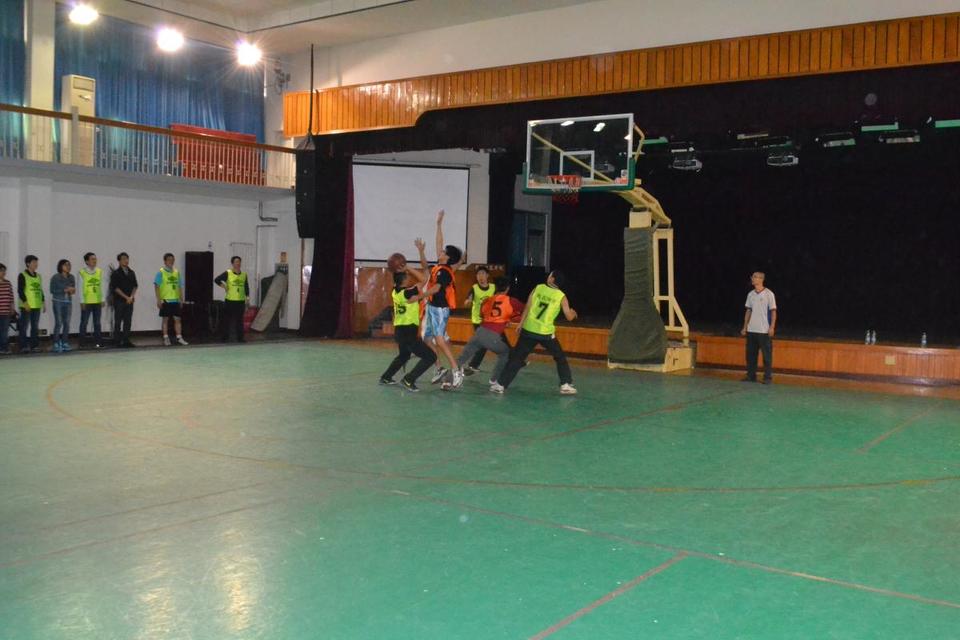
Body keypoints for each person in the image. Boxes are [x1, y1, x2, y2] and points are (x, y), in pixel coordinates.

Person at [494, 269, 578, 395]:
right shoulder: (561, 296)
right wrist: (574, 313)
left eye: (550, 275)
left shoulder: (538, 288)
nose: (548, 276)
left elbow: (528, 306)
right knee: (560, 357)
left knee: (517, 358)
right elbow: (569, 317)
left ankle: (500, 385)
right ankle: (565, 384)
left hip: (529, 329)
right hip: (546, 333)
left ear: (552, 279)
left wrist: (521, 323)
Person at [379, 242, 439, 392]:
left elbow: (422, 280)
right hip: (408, 332)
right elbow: (424, 279)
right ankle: (409, 379)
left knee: (404, 355)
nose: (409, 277)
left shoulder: (395, 291)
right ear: (404, 280)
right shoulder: (408, 292)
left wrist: (407, 267)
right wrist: (408, 267)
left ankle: (386, 377)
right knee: (431, 357)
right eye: (407, 276)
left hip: (400, 331)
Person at [445, 276, 524, 390]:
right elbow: (525, 309)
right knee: (505, 353)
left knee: (462, 358)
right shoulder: (511, 301)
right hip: (492, 335)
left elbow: (482, 315)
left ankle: (447, 381)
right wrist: (511, 318)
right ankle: (494, 379)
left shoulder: (488, 300)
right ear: (507, 288)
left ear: (495, 288)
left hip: (479, 332)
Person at [420, 209, 464, 388]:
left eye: (443, 252)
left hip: (439, 309)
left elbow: (437, 288)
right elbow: (439, 242)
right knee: (427, 339)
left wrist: (420, 296)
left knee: (439, 340)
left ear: (448, 257)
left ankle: (456, 371)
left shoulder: (445, 272)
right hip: (432, 307)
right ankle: (439, 368)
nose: (440, 251)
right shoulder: (440, 265)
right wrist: (438, 224)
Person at [740, 271, 777, 384]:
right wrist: (745, 327)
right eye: (752, 277)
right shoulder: (750, 294)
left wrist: (772, 327)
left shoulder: (769, 294)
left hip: (764, 330)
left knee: (766, 356)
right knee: (750, 355)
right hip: (752, 330)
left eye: (755, 277)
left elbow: (773, 311)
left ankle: (767, 377)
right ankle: (751, 376)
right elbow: (748, 311)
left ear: (761, 279)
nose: (752, 279)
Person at [461, 265, 495, 376]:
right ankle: (472, 365)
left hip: (490, 320)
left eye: (483, 274)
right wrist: (468, 301)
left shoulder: (493, 288)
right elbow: (468, 299)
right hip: (478, 320)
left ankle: (472, 365)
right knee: (484, 343)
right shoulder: (474, 288)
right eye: (478, 274)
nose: (481, 276)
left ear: (487, 275)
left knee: (483, 343)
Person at [154, 253, 188, 346]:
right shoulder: (161, 272)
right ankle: (166, 338)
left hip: (176, 300)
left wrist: (181, 299)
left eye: (173, 260)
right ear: (165, 261)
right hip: (166, 300)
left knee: (178, 319)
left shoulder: (177, 272)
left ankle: (179, 337)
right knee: (165, 320)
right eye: (169, 260)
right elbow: (156, 286)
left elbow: (180, 287)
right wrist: (158, 300)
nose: (171, 261)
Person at [214, 256, 250, 343]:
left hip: (240, 300)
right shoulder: (228, 273)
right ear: (232, 263)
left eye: (239, 262)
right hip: (230, 300)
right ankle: (225, 338)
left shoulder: (244, 274)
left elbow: (246, 287)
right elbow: (217, 280)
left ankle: (240, 338)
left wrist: (247, 298)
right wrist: (224, 286)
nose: (238, 263)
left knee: (239, 320)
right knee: (227, 320)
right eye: (236, 262)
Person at [17, 255, 45, 354]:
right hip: (27, 306)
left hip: (36, 306)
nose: (36, 264)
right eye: (34, 262)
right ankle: (23, 346)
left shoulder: (38, 276)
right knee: (24, 327)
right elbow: (20, 290)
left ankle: (34, 346)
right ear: (28, 263)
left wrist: (43, 302)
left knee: (35, 327)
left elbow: (40, 290)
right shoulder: (22, 275)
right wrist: (25, 303)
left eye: (36, 262)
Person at [110, 252, 138, 348]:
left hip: (129, 301)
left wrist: (131, 297)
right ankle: (117, 341)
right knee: (118, 321)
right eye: (123, 259)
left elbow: (135, 286)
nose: (126, 260)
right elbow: (115, 288)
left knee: (128, 321)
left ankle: (126, 340)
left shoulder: (131, 272)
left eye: (127, 258)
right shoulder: (116, 273)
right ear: (119, 261)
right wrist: (126, 297)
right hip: (119, 301)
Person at [78, 252, 104, 348]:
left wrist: (102, 299)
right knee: (84, 323)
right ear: (87, 261)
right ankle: (82, 344)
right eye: (92, 259)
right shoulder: (82, 272)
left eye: (95, 259)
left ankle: (98, 343)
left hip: (97, 301)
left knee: (97, 323)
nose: (94, 261)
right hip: (86, 302)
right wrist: (82, 301)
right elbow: (80, 287)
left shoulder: (99, 271)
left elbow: (102, 285)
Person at [49, 259, 76, 353]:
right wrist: (64, 290)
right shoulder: (55, 277)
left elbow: (73, 290)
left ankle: (65, 342)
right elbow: (52, 290)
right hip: (58, 302)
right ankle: (56, 343)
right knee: (59, 322)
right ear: (60, 266)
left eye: (69, 265)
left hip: (68, 302)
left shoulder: (71, 277)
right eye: (66, 265)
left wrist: (72, 290)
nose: (68, 267)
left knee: (67, 323)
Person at [0, 263, 14, 355]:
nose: (4, 272)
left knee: (4, 331)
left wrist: (12, 308)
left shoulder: (8, 283)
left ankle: (4, 348)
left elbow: (11, 297)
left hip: (6, 312)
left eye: (4, 271)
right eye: (2, 271)